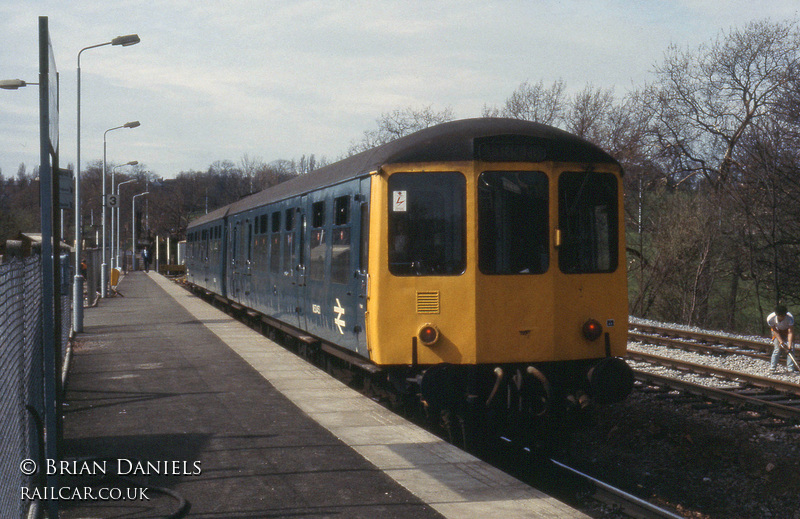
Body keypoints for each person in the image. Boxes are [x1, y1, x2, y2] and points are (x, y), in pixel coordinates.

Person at [767, 304, 796, 373]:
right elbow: (775, 331)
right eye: (780, 316)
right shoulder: (770, 318)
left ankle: (790, 368)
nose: (782, 317)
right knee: (777, 349)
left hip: (786, 331)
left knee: (791, 349)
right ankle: (772, 368)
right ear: (777, 315)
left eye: (783, 316)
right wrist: (781, 341)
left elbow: (790, 332)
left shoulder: (790, 318)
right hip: (777, 331)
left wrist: (789, 344)